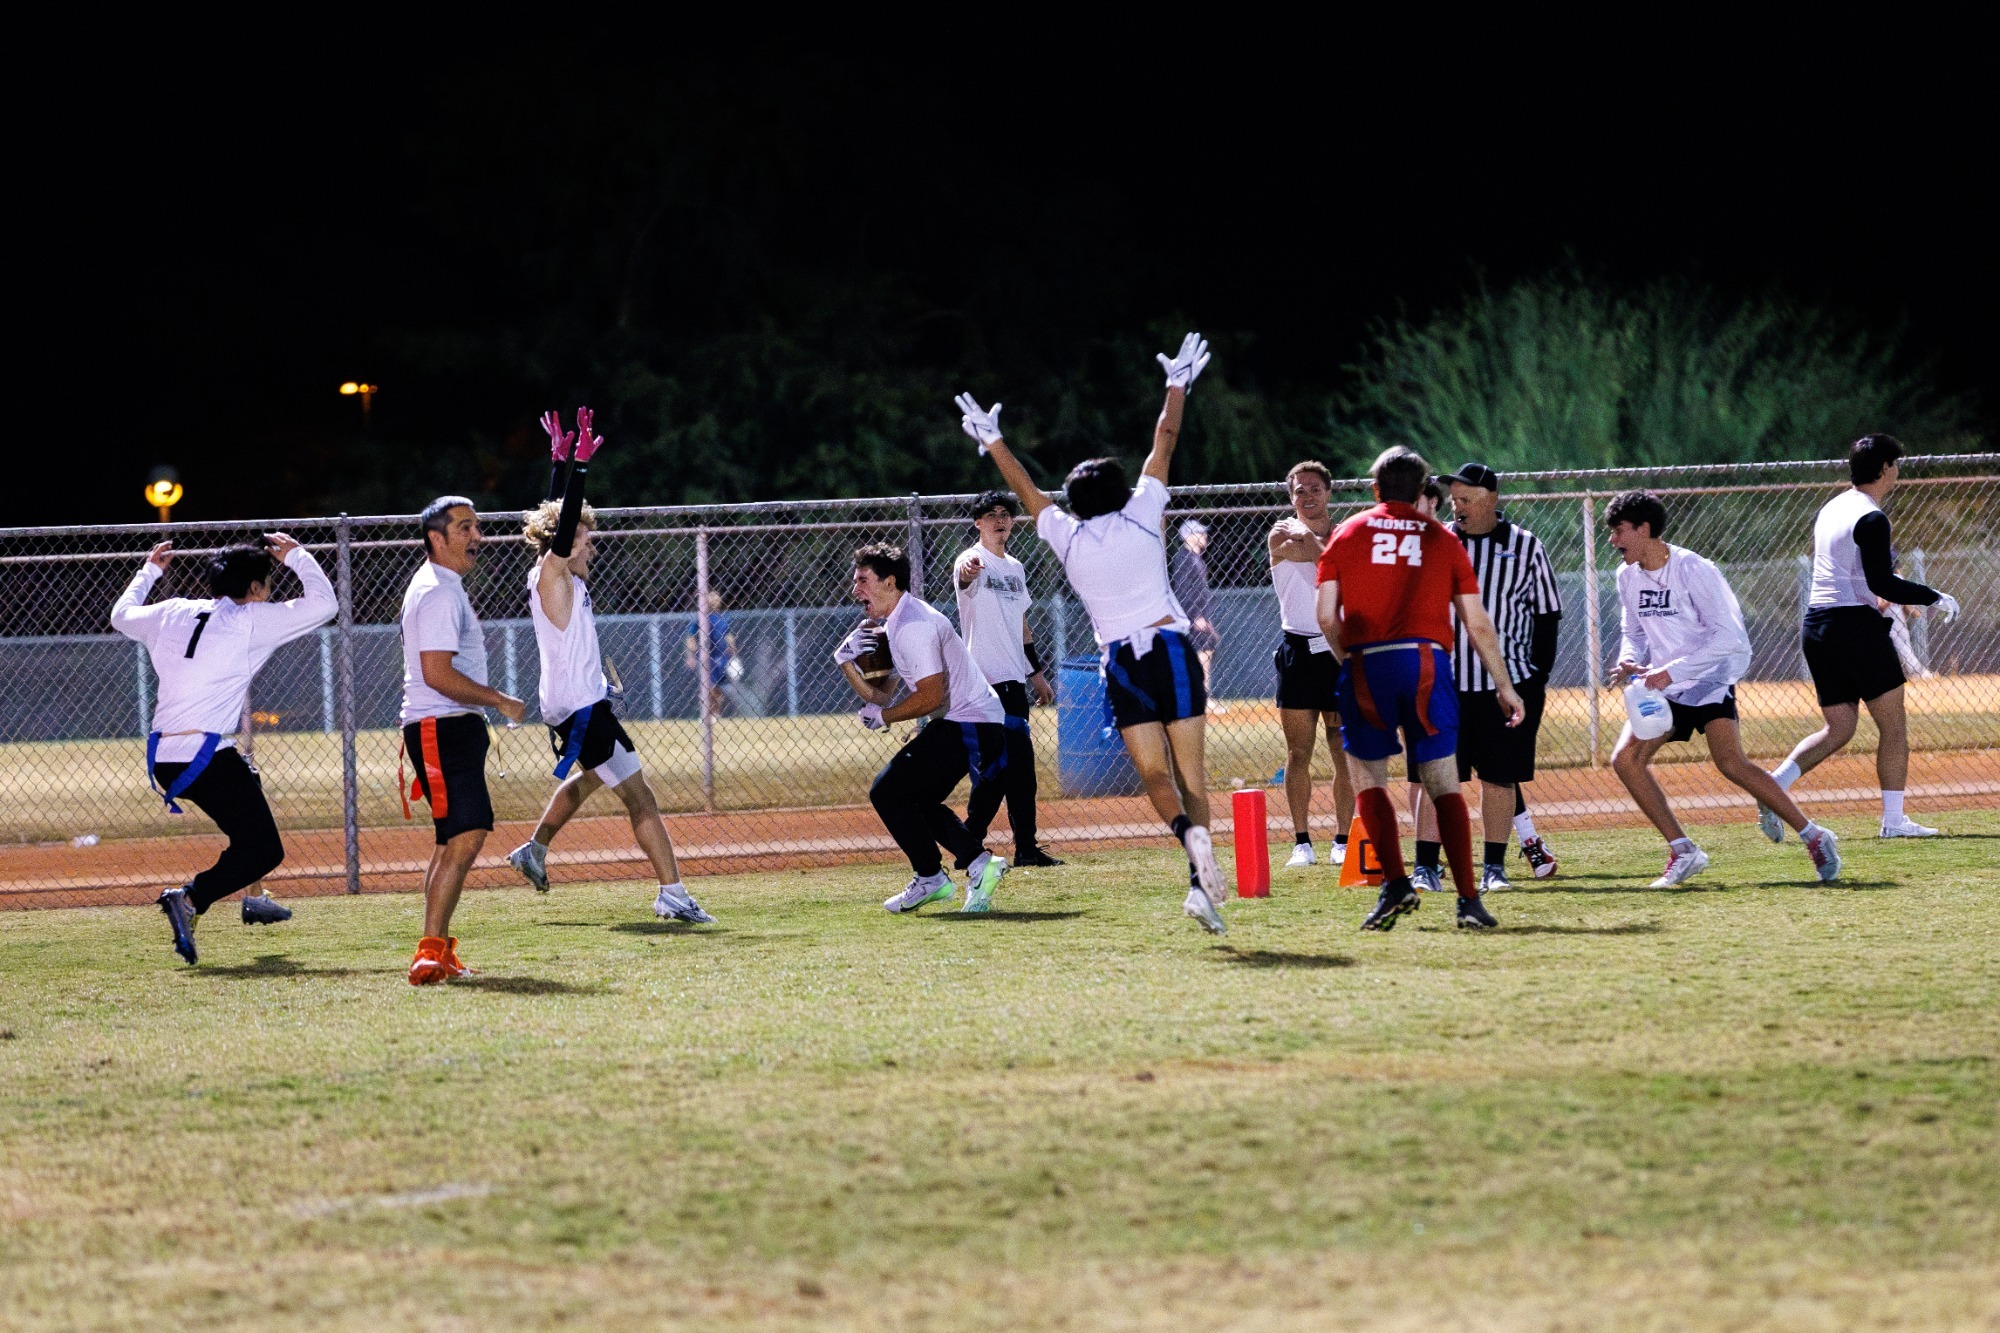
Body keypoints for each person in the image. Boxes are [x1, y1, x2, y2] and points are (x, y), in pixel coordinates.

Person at [959, 331, 1231, 934]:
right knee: (1193, 776)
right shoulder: (1142, 515)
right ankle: (1202, 883)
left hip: (1123, 664)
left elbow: (1027, 491)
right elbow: (1164, 438)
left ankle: (1188, 842)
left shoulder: (1069, 537)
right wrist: (1177, 383)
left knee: (1155, 777)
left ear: (1076, 503)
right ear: (1120, 490)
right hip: (1171, 647)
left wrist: (993, 440)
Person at [506, 408, 715, 924]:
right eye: (585, 537)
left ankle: (533, 849)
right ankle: (672, 892)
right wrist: (577, 470)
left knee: (597, 778)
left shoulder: (559, 577)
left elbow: (557, 518)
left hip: (578, 701)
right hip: (578, 707)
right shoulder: (552, 575)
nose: (591, 545)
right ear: (567, 542)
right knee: (640, 797)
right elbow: (561, 526)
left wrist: (558, 463)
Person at [1316, 447, 1521, 931]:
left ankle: (1395, 885)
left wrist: (1352, 662)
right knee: (1443, 782)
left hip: (1369, 662)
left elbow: (1326, 616)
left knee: (1369, 777)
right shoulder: (1443, 539)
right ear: (1422, 489)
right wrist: (1504, 685)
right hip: (1429, 663)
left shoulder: (1349, 532)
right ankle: (1469, 900)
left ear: (1376, 489)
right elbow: (1478, 623)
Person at [111, 533, 337, 964]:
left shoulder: (174, 610)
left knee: (247, 789)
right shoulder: (251, 619)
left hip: (164, 758)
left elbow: (120, 614)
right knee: (264, 849)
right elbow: (326, 604)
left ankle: (254, 897)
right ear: (254, 590)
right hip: (204, 758)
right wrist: (298, 557)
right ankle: (191, 899)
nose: (270, 592)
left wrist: (149, 572)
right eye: (267, 584)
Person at [1603, 490, 1841, 887]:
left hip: (1709, 677)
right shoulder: (1626, 575)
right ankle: (1684, 851)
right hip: (1665, 686)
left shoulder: (1694, 568)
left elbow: (1727, 637)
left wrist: (1672, 671)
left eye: (1619, 531)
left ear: (1644, 529)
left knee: (1731, 764)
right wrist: (1632, 660)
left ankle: (1814, 836)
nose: (1612, 541)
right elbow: (1633, 629)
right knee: (1625, 760)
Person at [1762, 434, 1960, 840]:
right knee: (1894, 727)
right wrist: (1934, 596)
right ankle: (1893, 821)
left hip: (1817, 627)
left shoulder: (1832, 507)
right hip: (1854, 627)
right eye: (1897, 465)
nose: (1898, 472)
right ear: (1886, 468)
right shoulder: (1871, 516)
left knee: (1840, 727)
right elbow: (1881, 582)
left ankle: (1772, 786)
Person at [835, 542, 1011, 914]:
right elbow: (882, 697)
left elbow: (928, 697)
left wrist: (885, 718)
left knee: (887, 792)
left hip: (969, 721)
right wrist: (845, 662)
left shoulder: (912, 626)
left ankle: (935, 876)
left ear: (890, 581)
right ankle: (974, 865)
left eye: (863, 580)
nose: (856, 590)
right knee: (913, 799)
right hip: (965, 719)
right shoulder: (899, 621)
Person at [400, 495, 528, 985]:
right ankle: (429, 951)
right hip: (441, 726)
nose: (478, 536)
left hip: (448, 727)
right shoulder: (437, 590)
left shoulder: (443, 586)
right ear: (437, 538)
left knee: (453, 841)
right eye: (465, 528)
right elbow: (436, 673)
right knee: (468, 834)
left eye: (478, 526)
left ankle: (437, 949)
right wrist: (498, 699)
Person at [1419, 461, 1563, 891]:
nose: (1457, 507)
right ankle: (1426, 866)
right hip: (1446, 682)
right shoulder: (1438, 541)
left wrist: (1534, 677)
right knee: (1436, 775)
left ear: (1492, 500)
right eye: (1455, 499)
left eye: (1466, 499)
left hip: (1507, 685)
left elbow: (1547, 614)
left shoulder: (1525, 545)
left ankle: (1493, 869)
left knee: (1500, 776)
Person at [953, 490, 1062, 867]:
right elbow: (965, 579)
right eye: (990, 514)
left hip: (1014, 681)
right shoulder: (971, 560)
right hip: (983, 684)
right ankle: (969, 842)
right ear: (978, 522)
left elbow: (1022, 625)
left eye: (1005, 514)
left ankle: (1026, 849)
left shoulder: (1014, 568)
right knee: (996, 770)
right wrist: (967, 574)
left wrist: (1037, 675)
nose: (999, 520)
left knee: (1021, 769)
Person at [1267, 459, 1355, 867]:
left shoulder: (1344, 536)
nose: (1307, 496)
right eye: (1299, 490)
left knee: (1342, 749)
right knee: (1298, 751)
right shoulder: (1281, 531)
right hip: (1298, 652)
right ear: (1290, 496)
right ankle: (1302, 841)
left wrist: (1314, 541)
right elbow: (1311, 559)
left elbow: (1337, 571)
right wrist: (1308, 541)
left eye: (1314, 488)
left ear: (1328, 493)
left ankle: (1343, 838)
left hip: (1336, 650)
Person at [1171, 518, 1223, 711]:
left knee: (1206, 654)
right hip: (1192, 619)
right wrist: (1195, 617)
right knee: (1201, 657)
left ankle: (1202, 697)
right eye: (1200, 533)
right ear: (1188, 536)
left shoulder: (1195, 558)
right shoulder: (1185, 558)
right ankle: (1202, 699)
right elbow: (1184, 591)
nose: (1204, 536)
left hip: (1199, 616)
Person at [684, 590, 741, 717]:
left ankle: (715, 714)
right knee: (709, 686)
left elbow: (728, 635)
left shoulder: (724, 618)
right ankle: (707, 714)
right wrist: (690, 655)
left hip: (722, 657)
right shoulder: (700, 617)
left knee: (719, 688)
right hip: (706, 657)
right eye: (712, 597)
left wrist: (734, 652)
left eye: (717, 597)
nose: (715, 600)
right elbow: (691, 637)